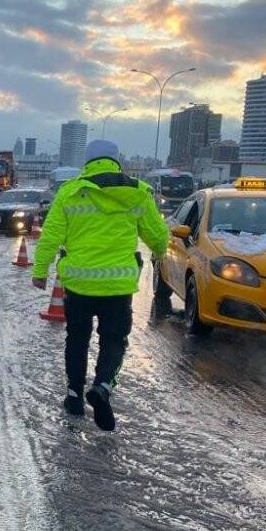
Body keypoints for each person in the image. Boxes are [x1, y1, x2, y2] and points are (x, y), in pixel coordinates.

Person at [31, 140, 168, 431]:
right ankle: (103, 386)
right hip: (117, 287)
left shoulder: (70, 191)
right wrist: (159, 251)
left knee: (77, 339)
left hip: (79, 284)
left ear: (87, 162)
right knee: (114, 340)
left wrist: (40, 271)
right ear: (117, 161)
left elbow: (51, 236)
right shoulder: (139, 193)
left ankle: (74, 396)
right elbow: (158, 237)